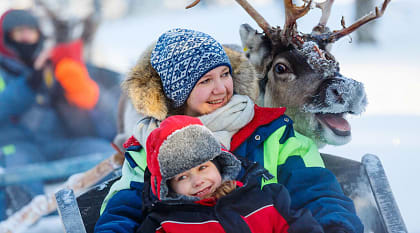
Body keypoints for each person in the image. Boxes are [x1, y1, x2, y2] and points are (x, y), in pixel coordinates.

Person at [95, 28, 363, 233]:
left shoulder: (272, 133)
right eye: (206, 81)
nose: (221, 88)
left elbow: (318, 192)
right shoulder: (149, 147)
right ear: (177, 94)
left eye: (225, 74)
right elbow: (123, 210)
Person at [0, 9, 116, 219]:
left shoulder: (50, 64)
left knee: (106, 156)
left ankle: (103, 214)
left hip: (57, 143)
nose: (26, 38)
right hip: (16, 146)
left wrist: (68, 93)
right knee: (18, 182)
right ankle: (25, 223)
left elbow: (96, 103)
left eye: (31, 32)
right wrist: (27, 85)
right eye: (19, 32)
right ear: (6, 37)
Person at [135, 115, 324, 233]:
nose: (198, 181)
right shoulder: (164, 224)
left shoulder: (265, 199)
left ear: (220, 165)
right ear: (168, 186)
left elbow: (300, 226)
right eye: (182, 177)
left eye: (203, 168)